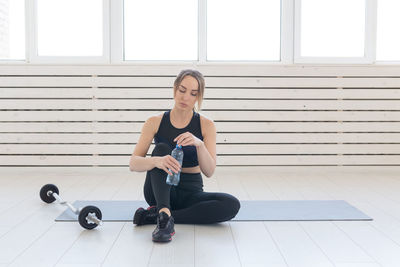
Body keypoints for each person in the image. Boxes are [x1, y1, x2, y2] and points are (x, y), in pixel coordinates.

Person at [129, 69, 240, 242]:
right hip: (159, 191)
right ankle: (164, 217)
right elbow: (133, 163)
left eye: (193, 93)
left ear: (198, 97)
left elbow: (209, 171)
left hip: (191, 191)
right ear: (175, 89)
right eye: (182, 90)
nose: (185, 97)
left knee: (231, 205)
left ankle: (158, 216)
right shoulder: (154, 122)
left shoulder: (206, 125)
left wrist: (200, 144)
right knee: (162, 149)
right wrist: (157, 161)